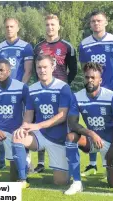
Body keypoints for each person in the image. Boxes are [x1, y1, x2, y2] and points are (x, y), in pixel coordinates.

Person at [78, 11, 113, 177]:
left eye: (99, 20)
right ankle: (92, 164)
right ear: (90, 24)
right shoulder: (84, 44)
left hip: (111, 91)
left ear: (106, 22)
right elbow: (85, 67)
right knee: (92, 124)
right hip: (92, 93)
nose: (96, 23)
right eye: (93, 21)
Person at [64, 62, 113, 195]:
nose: (89, 80)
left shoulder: (112, 97)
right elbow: (72, 123)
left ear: (100, 80)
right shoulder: (77, 96)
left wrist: (112, 149)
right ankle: (77, 182)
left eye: (93, 78)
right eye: (87, 77)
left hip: (112, 143)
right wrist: (91, 133)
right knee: (71, 137)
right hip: (92, 140)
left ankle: (111, 167)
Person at [12, 55, 72, 188]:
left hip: (58, 138)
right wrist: (24, 127)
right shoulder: (32, 89)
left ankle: (68, 166)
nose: (42, 70)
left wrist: (37, 125)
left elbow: (62, 115)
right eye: (39, 67)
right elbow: (29, 114)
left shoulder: (63, 87)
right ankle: (23, 179)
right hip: (40, 135)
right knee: (17, 137)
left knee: (61, 182)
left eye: (45, 67)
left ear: (53, 67)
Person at [32, 14, 77, 173]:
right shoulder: (38, 47)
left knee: (64, 123)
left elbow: (73, 69)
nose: (50, 27)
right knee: (40, 121)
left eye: (53, 24)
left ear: (58, 27)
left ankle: (67, 158)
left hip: (61, 91)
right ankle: (41, 162)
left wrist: (65, 84)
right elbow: (34, 69)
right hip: (43, 91)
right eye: (47, 24)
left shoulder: (67, 46)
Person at [0, 17, 34, 170]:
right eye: (7, 26)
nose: (9, 29)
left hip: (18, 93)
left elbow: (28, 70)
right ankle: (1, 160)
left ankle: (26, 158)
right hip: (0, 93)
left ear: (18, 28)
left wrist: (19, 88)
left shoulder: (26, 47)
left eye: (12, 26)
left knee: (20, 124)